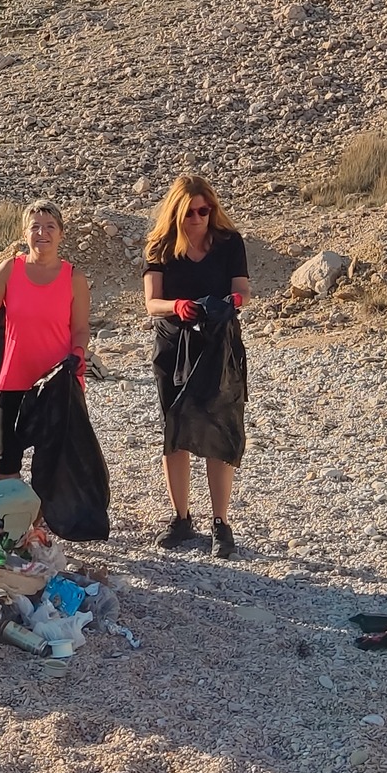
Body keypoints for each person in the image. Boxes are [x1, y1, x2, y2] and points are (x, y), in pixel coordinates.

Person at [143, 174, 252, 556]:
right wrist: (177, 306)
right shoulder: (160, 246)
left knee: (220, 427)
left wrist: (227, 304)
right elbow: (151, 302)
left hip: (218, 343)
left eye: (204, 210)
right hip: (174, 346)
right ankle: (181, 517)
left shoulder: (228, 242)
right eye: (189, 212)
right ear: (176, 212)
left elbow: (243, 291)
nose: (197, 218)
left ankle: (221, 522)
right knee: (175, 428)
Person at [0, 201, 90, 479]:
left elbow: (81, 329)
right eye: (34, 227)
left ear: (61, 233)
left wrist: (79, 353)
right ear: (24, 233)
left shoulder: (74, 277)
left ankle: (39, 521)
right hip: (14, 378)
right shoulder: (10, 268)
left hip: (57, 382)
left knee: (53, 460)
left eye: (49, 226)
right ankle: (12, 519)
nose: (42, 233)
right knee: (5, 459)